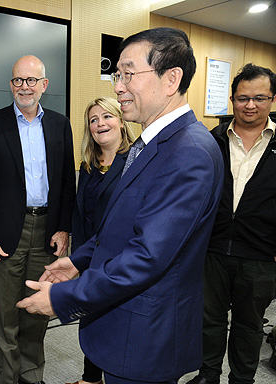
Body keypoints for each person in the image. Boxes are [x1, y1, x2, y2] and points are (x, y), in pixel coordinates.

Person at [17, 27, 224, 384]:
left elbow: (148, 255)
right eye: (118, 74)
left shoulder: (188, 152)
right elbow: (122, 226)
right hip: (126, 327)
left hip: (145, 335)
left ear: (171, 79)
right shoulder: (151, 143)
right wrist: (78, 261)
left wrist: (64, 298)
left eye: (129, 73)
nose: (118, 86)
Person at [0, 55, 76, 384]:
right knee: (5, 317)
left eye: (32, 81)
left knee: (36, 310)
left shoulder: (60, 124)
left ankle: (32, 376)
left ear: (44, 85)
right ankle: (8, 378)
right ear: (10, 85)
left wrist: (63, 227)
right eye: (18, 80)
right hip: (4, 235)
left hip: (47, 231)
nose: (24, 87)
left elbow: (65, 183)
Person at [187, 64, 276, 384]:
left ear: (273, 99)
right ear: (232, 99)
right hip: (212, 249)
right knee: (208, 320)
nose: (250, 105)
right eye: (242, 98)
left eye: (260, 97)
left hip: (261, 255)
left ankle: (242, 380)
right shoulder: (211, 140)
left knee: (249, 325)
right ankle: (207, 375)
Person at [67, 97, 136, 384]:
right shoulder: (88, 165)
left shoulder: (136, 161)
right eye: (93, 120)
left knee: (119, 324)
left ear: (121, 120)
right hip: (90, 257)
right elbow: (80, 212)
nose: (100, 124)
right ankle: (91, 378)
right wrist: (76, 259)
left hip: (120, 258)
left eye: (106, 117)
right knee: (91, 317)